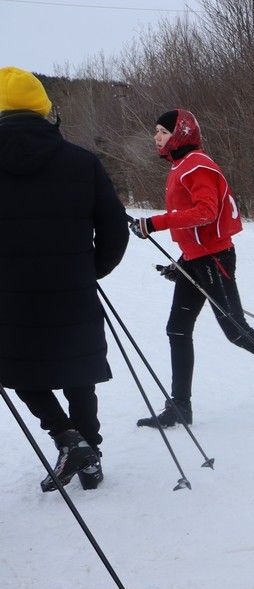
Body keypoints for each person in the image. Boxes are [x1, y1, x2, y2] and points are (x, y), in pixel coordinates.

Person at [128, 109, 254, 427]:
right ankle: (180, 406)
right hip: (197, 259)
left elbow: (205, 212)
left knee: (237, 332)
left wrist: (153, 223)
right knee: (177, 329)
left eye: (163, 131)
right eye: (156, 132)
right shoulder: (182, 165)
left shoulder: (197, 165)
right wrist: (182, 263)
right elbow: (196, 228)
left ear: (181, 133)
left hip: (213, 260)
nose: (156, 137)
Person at [0, 68, 127, 491]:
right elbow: (115, 229)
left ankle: (66, 436)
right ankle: (87, 452)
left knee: (18, 370)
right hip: (72, 289)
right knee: (78, 373)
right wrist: (90, 270)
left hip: (11, 296)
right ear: (44, 108)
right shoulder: (81, 162)